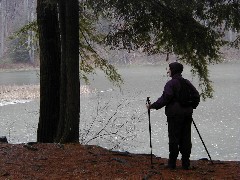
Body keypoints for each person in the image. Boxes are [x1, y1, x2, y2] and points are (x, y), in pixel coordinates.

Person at [146, 62, 200, 170]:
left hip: (175, 115)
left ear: (173, 70)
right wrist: (191, 106)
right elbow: (196, 96)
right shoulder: (186, 82)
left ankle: (172, 164)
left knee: (174, 138)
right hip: (187, 114)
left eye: (169, 69)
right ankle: (185, 164)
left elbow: (166, 98)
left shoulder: (171, 84)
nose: (167, 71)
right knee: (185, 138)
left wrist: (152, 106)